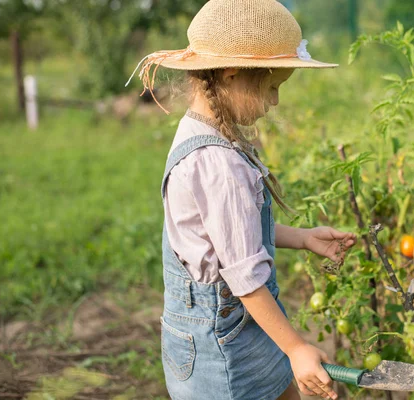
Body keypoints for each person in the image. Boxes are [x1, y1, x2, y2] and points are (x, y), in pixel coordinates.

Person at [127, 0, 357, 399]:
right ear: (232, 75)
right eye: (272, 88)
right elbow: (245, 279)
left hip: (236, 328)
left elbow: (229, 236)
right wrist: (297, 347)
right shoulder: (218, 164)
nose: (275, 102)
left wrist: (302, 237)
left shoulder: (197, 131)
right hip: (225, 348)